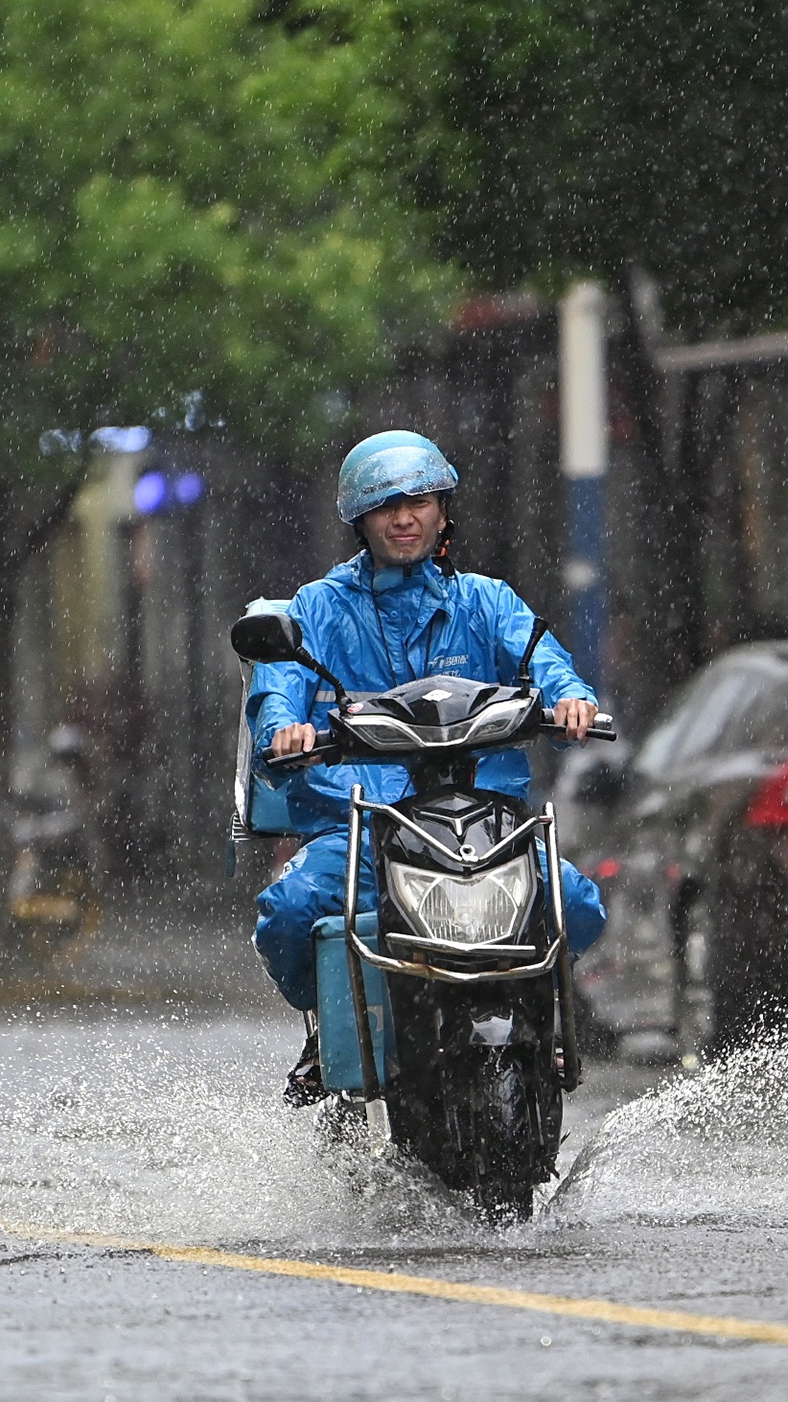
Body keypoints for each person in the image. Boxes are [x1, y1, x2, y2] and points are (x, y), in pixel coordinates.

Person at [247, 430, 606, 1105]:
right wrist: (283, 730)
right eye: (386, 505)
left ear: (444, 509)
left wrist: (573, 701)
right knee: (291, 911)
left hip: (486, 830)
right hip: (363, 831)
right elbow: (278, 689)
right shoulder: (318, 608)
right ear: (360, 520)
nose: (404, 516)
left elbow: (546, 663)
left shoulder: (488, 601)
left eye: (419, 500)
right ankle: (328, 1029)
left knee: (577, 903)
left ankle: (543, 1019)